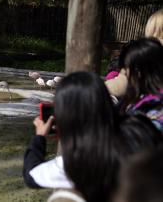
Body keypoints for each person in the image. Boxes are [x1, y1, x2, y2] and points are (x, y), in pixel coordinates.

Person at [23, 72, 163, 202]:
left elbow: (31, 176)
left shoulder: (77, 161)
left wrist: (39, 137)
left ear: (65, 117)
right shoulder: (140, 130)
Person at [118, 38, 163, 131]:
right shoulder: (136, 98)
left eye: (127, 68)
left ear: (138, 72)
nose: (124, 73)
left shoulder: (155, 111)